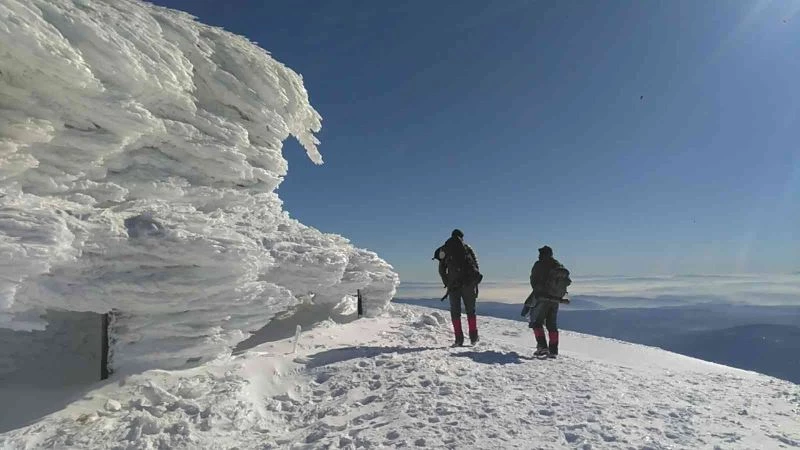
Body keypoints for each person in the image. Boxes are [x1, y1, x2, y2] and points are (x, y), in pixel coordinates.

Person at [433, 229, 482, 346]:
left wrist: (447, 282)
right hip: (468, 284)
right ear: (461, 237)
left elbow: (441, 269)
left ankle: (459, 340)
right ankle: (474, 337)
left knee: (455, 313)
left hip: (454, 285)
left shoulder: (445, 249)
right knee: (471, 311)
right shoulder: (467, 248)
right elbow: (475, 265)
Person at [526, 245, 569, 357]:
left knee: (536, 323)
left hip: (542, 298)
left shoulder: (539, 265)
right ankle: (553, 350)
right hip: (555, 299)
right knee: (552, 325)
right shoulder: (558, 265)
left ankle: (542, 347)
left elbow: (533, 280)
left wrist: (537, 291)